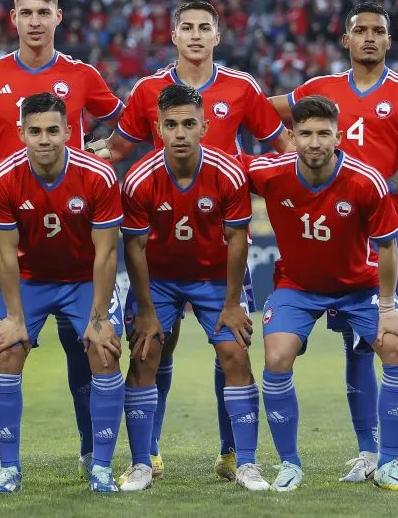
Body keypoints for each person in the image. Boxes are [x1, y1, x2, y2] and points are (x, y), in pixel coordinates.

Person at [90, 1, 288, 482]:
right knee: (155, 347)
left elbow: (284, 148)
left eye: (205, 28)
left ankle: (233, 455)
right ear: (173, 36)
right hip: (160, 250)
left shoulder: (242, 87)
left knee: (232, 349)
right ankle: (149, 454)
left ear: (217, 36)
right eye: (187, 28)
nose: (196, 35)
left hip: (219, 247)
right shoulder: (146, 91)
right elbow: (114, 149)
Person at [0, 0, 123, 481]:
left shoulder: (81, 75)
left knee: (89, 350)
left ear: (58, 16)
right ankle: (0, 457)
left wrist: (102, 151)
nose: (34, 21)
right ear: (14, 18)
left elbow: (121, 123)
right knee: (6, 342)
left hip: (72, 224)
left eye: (43, 12)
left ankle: (93, 454)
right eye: (25, 12)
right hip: (9, 228)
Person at [271, 2, 398, 484]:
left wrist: (371, 198)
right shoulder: (320, 90)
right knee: (357, 344)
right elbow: (261, 110)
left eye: (378, 31)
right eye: (359, 30)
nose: (368, 37)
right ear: (346, 39)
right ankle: (369, 451)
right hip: (343, 238)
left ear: (389, 41)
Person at [246, 95, 398, 492]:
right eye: (305, 133)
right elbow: (220, 168)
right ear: (291, 136)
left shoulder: (365, 180)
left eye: (324, 133)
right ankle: (289, 464)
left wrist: (389, 308)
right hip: (298, 286)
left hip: (360, 288)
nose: (314, 142)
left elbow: (388, 247)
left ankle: (389, 463)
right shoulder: (270, 173)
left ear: (338, 136)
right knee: (276, 356)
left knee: (397, 346)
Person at [118, 84, 266, 492]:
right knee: (144, 354)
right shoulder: (138, 179)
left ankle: (246, 463)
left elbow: (238, 240)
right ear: (158, 128)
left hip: (214, 279)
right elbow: (135, 248)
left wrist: (234, 303)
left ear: (204, 126)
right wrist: (146, 311)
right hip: (160, 281)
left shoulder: (229, 173)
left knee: (235, 355)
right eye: (171, 125)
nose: (180, 133)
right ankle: (141, 464)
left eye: (188, 124)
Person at [0, 92, 124, 494]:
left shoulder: (98, 175)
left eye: (52, 130)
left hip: (84, 279)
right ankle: (9, 468)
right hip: (30, 279)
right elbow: (6, 257)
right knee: (6, 351)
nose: (44, 139)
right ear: (21, 133)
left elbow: (106, 253)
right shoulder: (2, 178)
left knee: (104, 351)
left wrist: (98, 319)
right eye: (34, 131)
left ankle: (100, 467)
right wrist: (13, 318)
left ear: (68, 132)